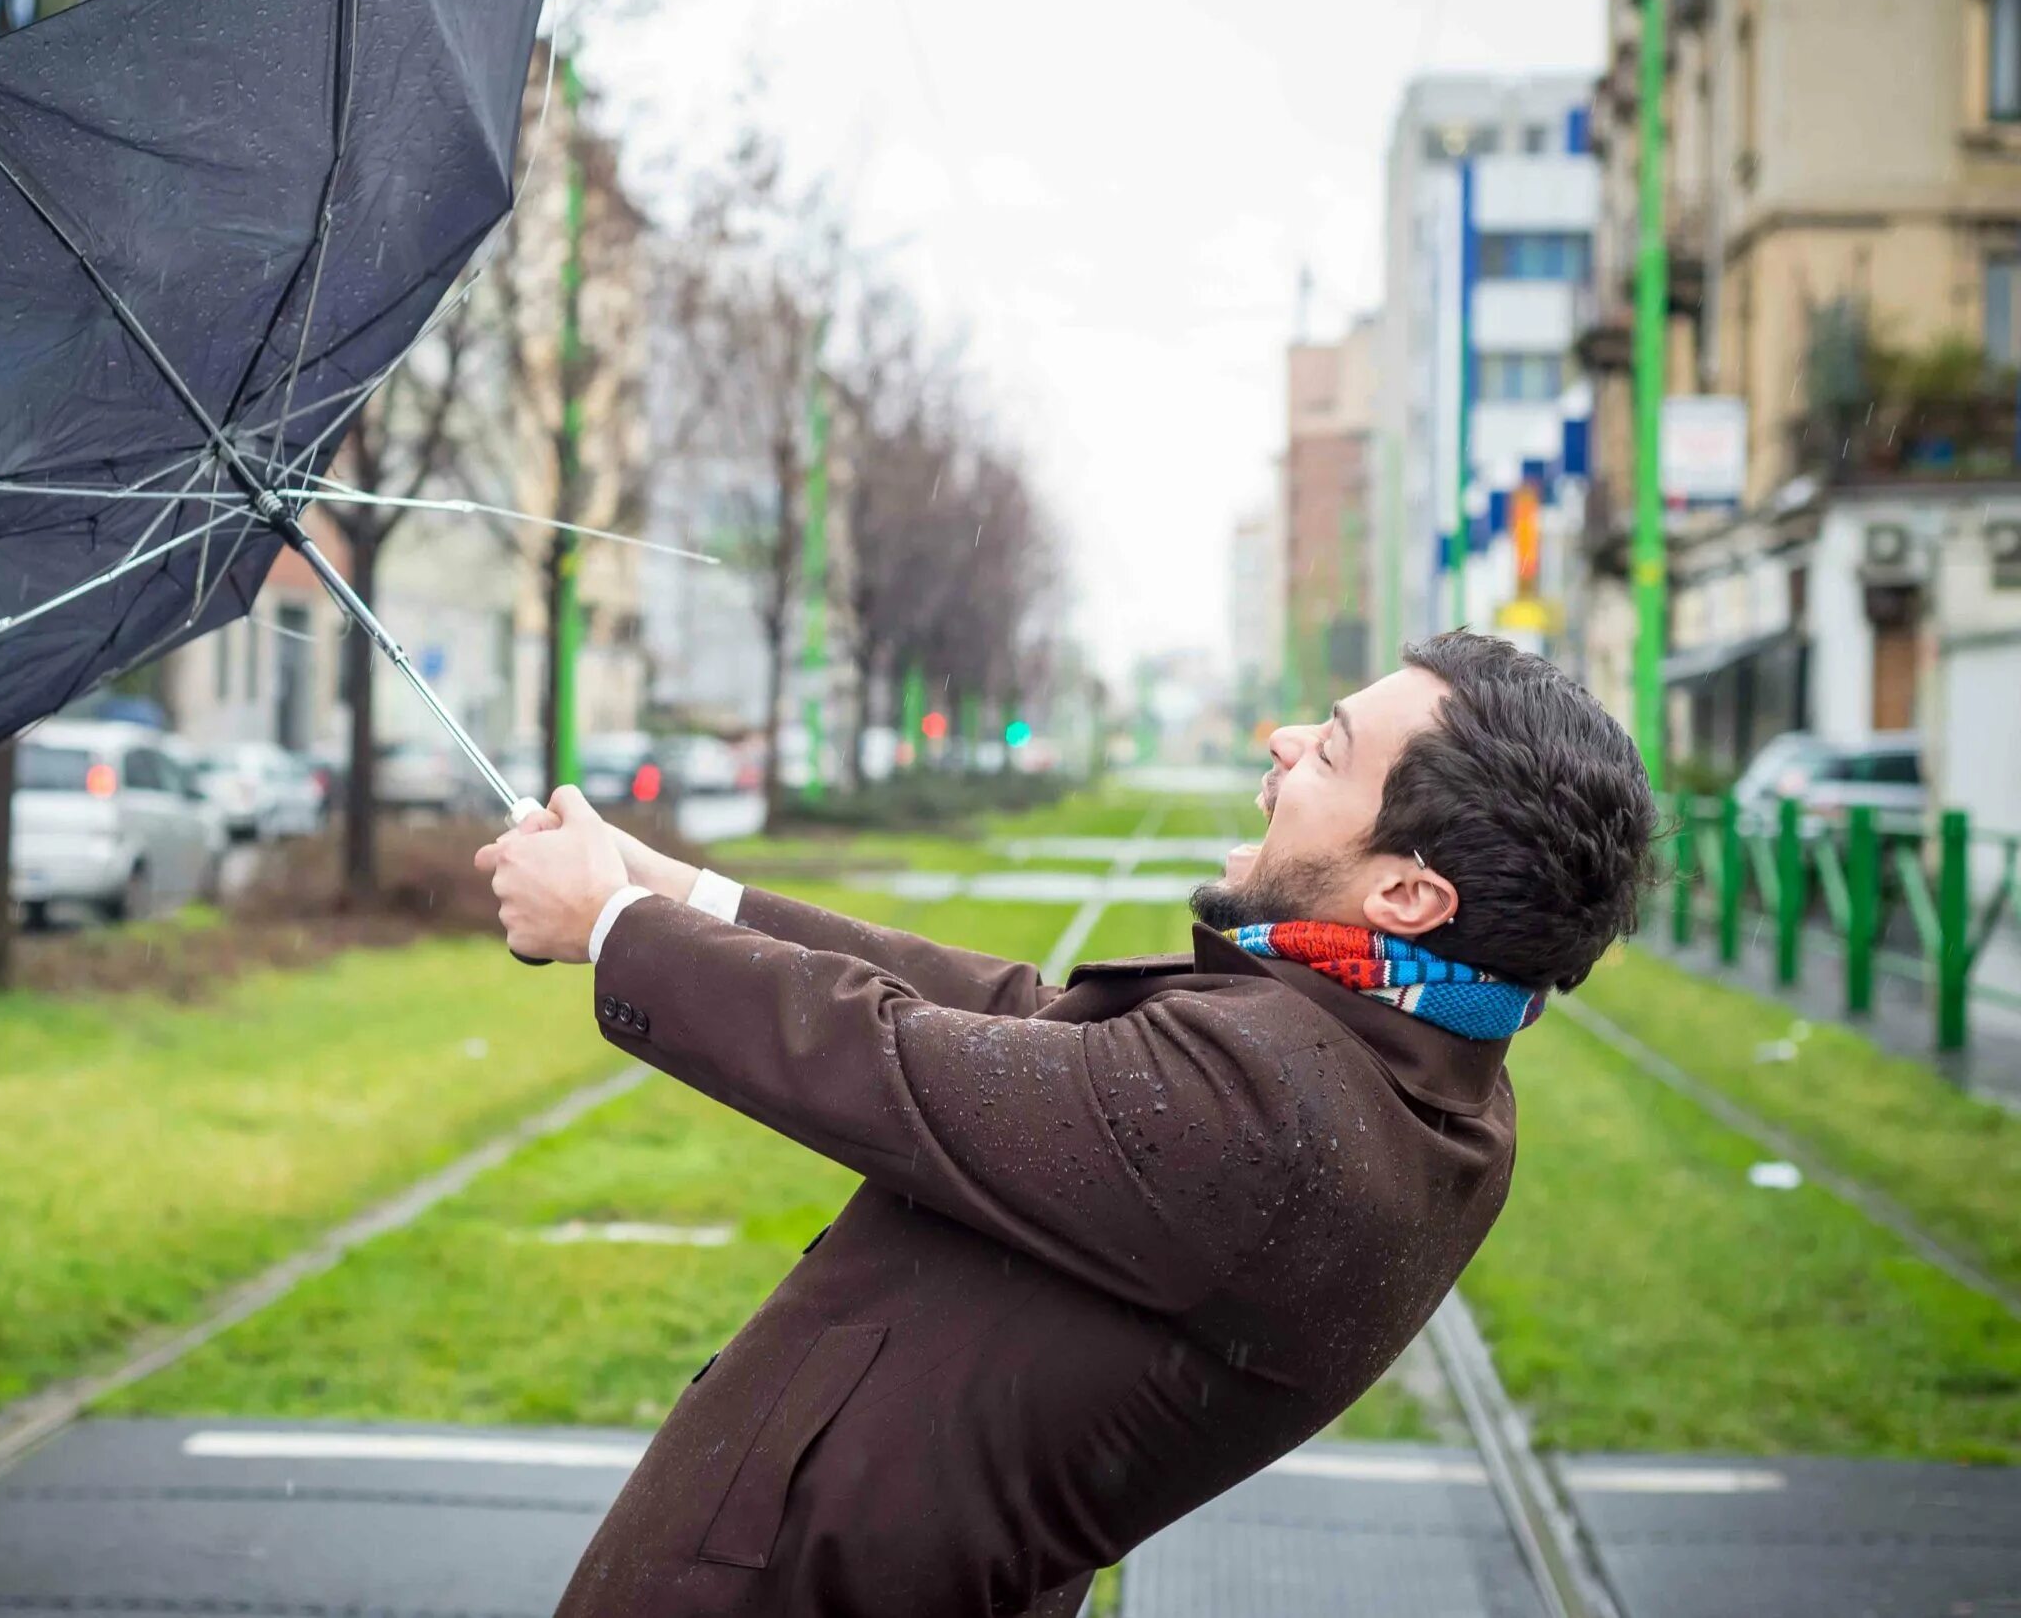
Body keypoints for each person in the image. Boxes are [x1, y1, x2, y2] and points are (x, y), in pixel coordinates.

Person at [476, 632, 1656, 1618]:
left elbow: (895, 1062)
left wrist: (611, 924)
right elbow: (1015, 1020)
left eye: (1329, 750)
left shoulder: (1281, 1109)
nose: (1283, 743)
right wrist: (671, 887)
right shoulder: (1418, 1072)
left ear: (1404, 894)